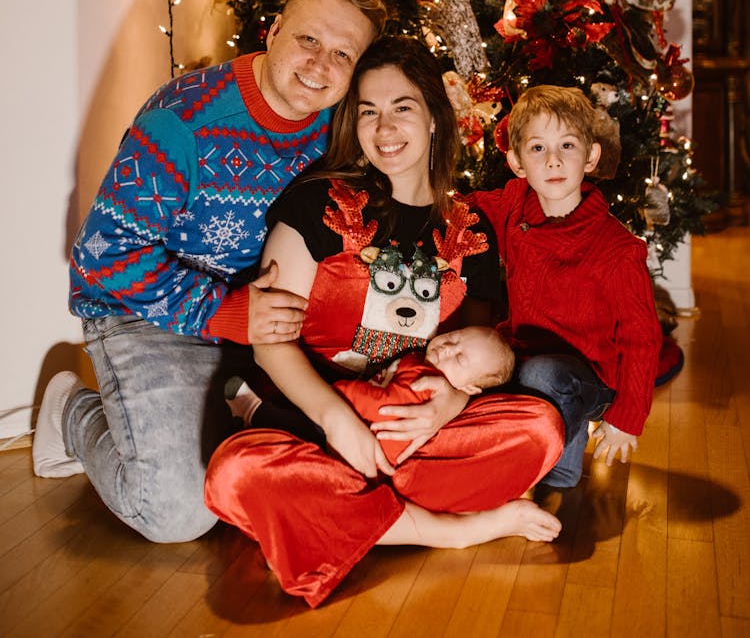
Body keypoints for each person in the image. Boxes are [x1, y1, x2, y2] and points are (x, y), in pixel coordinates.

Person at [204, 37, 565, 609]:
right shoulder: (315, 205)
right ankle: (450, 528)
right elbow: (269, 340)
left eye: (402, 107)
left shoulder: (469, 227)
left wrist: (450, 403)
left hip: (414, 433)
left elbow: (475, 350)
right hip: (310, 425)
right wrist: (337, 422)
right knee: (236, 475)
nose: (384, 126)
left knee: (539, 427)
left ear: (434, 118)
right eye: (367, 111)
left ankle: (346, 514)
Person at [32, 0, 387, 543]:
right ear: (272, 31)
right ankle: (71, 411)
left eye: (344, 55)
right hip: (147, 318)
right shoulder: (184, 123)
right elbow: (99, 255)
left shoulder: (345, 128)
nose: (321, 66)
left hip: (264, 330)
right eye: (308, 39)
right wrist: (227, 313)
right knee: (174, 513)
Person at [471, 84, 663, 491]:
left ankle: (557, 468)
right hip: (524, 355)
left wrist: (626, 419)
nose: (554, 160)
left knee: (545, 373)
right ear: (517, 162)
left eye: (568, 146)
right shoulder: (514, 205)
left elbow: (642, 340)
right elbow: (463, 210)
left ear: (591, 156)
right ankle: (497, 450)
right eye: (538, 149)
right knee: (489, 361)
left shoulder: (617, 250)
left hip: (592, 375)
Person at [227, 324, 516, 465]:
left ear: (469, 388)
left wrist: (339, 392)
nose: (447, 348)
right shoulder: (423, 364)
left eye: (460, 359)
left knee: (300, 430)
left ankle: (255, 413)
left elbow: (383, 407)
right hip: (361, 437)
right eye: (455, 338)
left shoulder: (425, 381)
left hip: (362, 441)